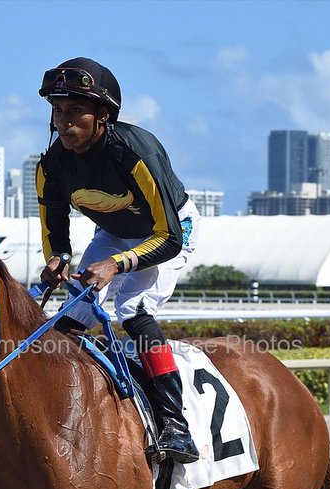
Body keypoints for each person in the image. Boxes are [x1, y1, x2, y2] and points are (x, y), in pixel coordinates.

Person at [36, 57, 200, 463]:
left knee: (133, 309)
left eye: (75, 110)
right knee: (72, 316)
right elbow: (54, 232)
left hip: (170, 229)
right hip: (114, 233)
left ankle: (175, 424)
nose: (63, 121)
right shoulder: (51, 165)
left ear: (103, 115)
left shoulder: (135, 152)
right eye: (58, 109)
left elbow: (168, 239)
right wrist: (57, 259)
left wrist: (115, 265)